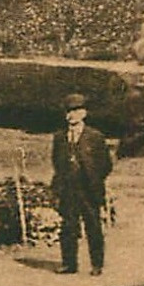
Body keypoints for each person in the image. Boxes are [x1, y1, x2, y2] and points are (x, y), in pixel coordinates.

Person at [50, 92, 114, 275]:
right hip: (68, 188)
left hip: (88, 189)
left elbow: (106, 164)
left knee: (93, 226)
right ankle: (69, 264)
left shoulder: (95, 137)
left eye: (76, 111)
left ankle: (96, 264)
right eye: (68, 111)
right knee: (68, 227)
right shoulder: (60, 137)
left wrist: (94, 179)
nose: (71, 115)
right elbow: (57, 162)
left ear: (84, 114)